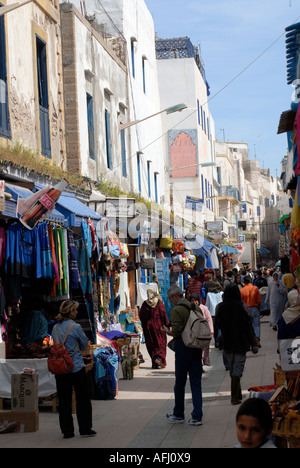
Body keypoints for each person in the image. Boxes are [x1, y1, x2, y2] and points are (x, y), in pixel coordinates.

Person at [53, 300, 96, 439]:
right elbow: (84, 344)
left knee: (64, 400)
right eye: (75, 310)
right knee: (82, 398)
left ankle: (67, 431)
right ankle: (85, 428)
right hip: (76, 367)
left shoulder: (54, 328)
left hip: (61, 369)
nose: (77, 312)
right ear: (70, 311)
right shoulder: (75, 327)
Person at [163, 285, 203, 426]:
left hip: (183, 349)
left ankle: (179, 413)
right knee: (196, 383)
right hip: (196, 348)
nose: (169, 301)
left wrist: (167, 331)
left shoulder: (177, 310)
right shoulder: (195, 307)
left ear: (175, 296)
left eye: (169, 298)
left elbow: (177, 332)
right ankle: (197, 416)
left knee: (180, 383)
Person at [215, 283, 258, 405]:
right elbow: (249, 326)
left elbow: (217, 325)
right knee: (237, 369)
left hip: (227, 342)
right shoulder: (242, 306)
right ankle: (235, 397)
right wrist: (254, 343)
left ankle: (237, 394)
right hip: (241, 342)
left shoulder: (220, 307)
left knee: (233, 368)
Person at [139, 288, 169, 369]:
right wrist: (167, 325)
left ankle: (155, 362)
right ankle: (160, 359)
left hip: (149, 328)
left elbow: (141, 316)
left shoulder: (144, 305)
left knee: (151, 343)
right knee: (160, 343)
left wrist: (145, 325)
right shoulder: (159, 303)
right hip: (159, 327)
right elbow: (163, 314)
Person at [190, 293, 214, 366]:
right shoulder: (189, 308)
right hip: (193, 331)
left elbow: (209, 319)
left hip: (203, 331)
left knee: (204, 348)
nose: (194, 302)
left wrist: (211, 330)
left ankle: (204, 361)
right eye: (192, 300)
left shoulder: (203, 308)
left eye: (195, 300)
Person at [241, 276, 262, 347]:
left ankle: (250, 341)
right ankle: (257, 338)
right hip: (255, 308)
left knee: (249, 326)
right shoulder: (255, 288)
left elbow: (241, 302)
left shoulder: (242, 290)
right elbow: (259, 300)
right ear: (250, 280)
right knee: (257, 324)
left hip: (246, 310)